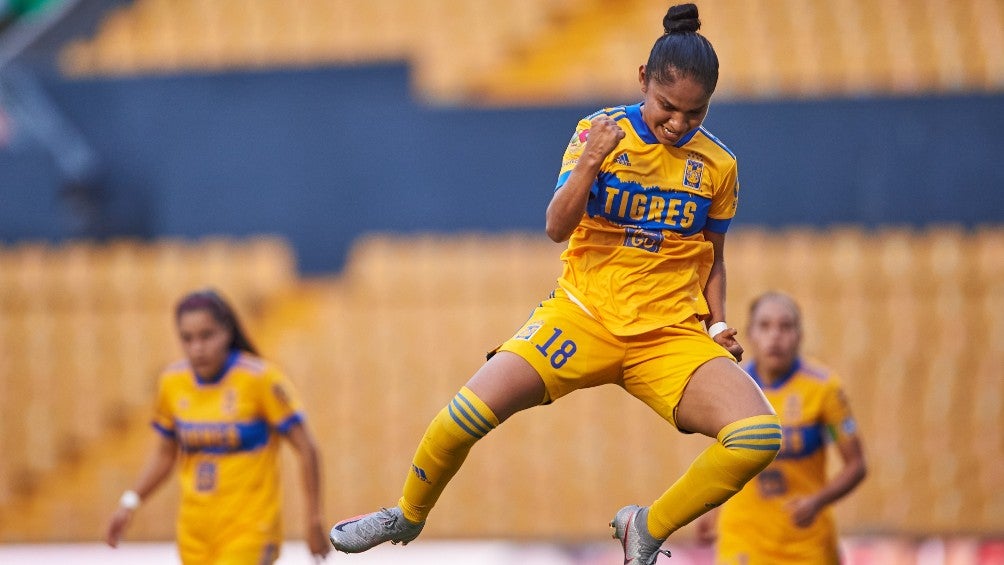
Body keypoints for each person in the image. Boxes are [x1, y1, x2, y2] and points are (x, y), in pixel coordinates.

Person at [329, 4, 781, 563]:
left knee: (759, 437)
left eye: (695, 112)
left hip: (668, 334)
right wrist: (592, 161)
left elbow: (712, 256)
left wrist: (715, 324)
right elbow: (555, 227)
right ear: (643, 80)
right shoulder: (598, 132)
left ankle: (648, 525)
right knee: (460, 419)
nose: (678, 124)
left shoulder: (718, 165)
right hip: (582, 315)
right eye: (668, 108)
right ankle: (407, 514)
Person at [105, 289, 331, 564]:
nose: (196, 348)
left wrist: (314, 518)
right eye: (187, 338)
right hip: (194, 535)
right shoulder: (172, 383)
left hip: (250, 532)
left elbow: (307, 448)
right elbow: (165, 454)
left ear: (227, 331)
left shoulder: (260, 379)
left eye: (206, 336)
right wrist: (130, 502)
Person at [696, 292, 867, 564]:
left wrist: (817, 502)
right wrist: (708, 507)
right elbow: (723, 459)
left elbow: (856, 465)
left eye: (785, 327)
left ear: (799, 335)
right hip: (743, 539)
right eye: (765, 326)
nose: (775, 336)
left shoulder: (823, 389)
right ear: (748, 334)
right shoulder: (731, 385)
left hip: (806, 544)